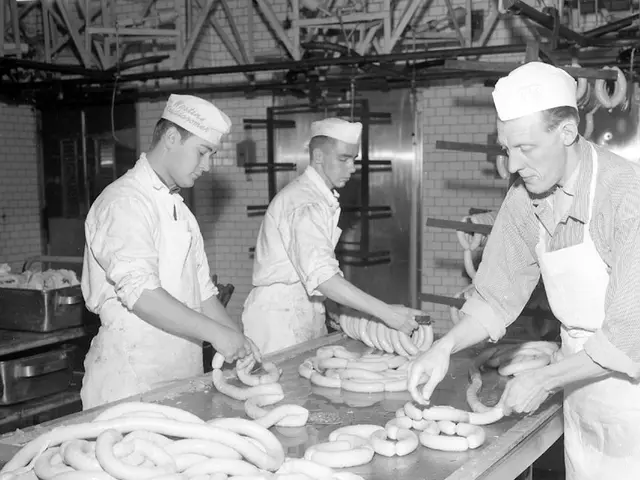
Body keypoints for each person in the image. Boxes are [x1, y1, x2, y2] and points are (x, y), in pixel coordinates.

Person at [407, 62, 640, 480]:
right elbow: (496, 296)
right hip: (580, 391)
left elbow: (630, 336)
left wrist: (544, 380)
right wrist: (444, 346)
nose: (513, 165)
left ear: (566, 133)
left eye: (526, 148)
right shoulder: (525, 199)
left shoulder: (625, 196)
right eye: (505, 148)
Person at [81, 94, 260, 410]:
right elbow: (141, 294)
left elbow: (203, 294)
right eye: (202, 153)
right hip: (132, 383)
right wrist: (216, 334)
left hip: (180, 376)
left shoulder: (180, 211)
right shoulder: (125, 202)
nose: (207, 166)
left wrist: (239, 339)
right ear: (172, 137)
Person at [242, 117, 426, 355]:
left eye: (353, 159)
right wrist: (387, 314)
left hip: (303, 311)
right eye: (344, 159)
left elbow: (315, 273)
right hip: (279, 320)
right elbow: (322, 278)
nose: (352, 167)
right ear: (318, 156)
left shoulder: (319, 200)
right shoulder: (303, 204)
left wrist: (335, 310)